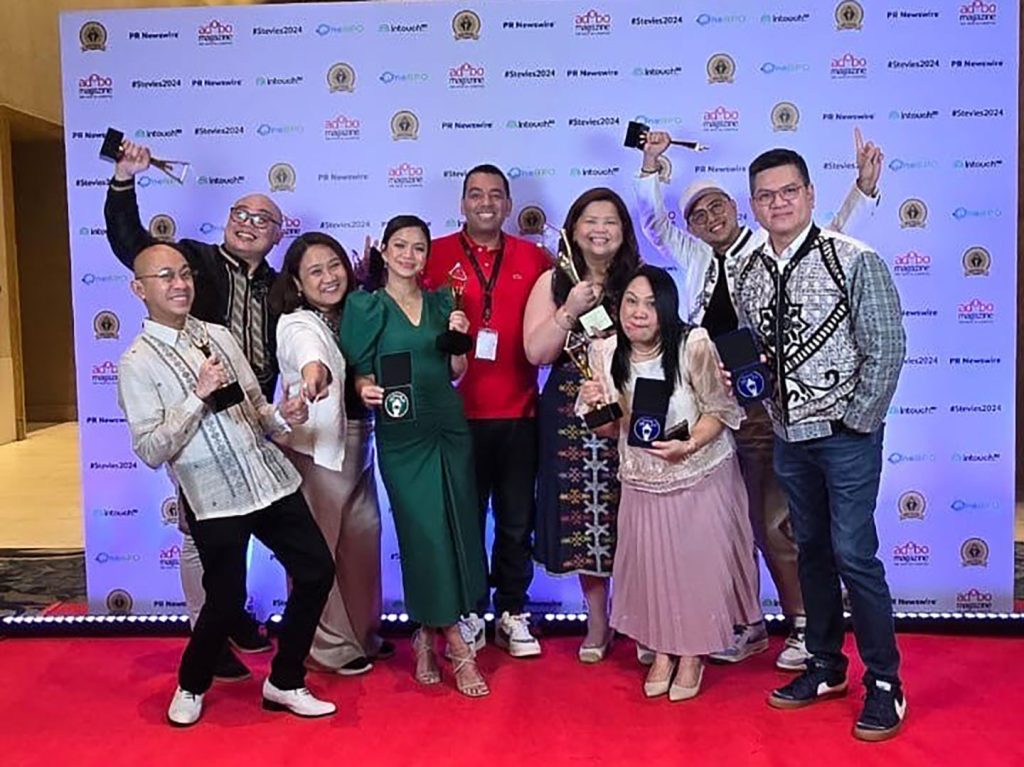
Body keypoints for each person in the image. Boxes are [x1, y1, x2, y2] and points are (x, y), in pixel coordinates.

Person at [632, 127, 884, 670]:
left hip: (767, 408)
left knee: (775, 520)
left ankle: (802, 624)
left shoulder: (770, 248)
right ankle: (742, 623)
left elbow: (834, 235)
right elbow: (653, 221)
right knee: (725, 522)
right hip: (708, 408)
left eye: (717, 206)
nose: (709, 218)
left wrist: (862, 190)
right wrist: (650, 166)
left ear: (737, 207)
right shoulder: (695, 256)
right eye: (697, 214)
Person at [116, 242, 336, 727]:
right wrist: (197, 397)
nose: (180, 284)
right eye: (166, 277)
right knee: (225, 599)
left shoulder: (217, 335)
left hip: (268, 480)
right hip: (211, 496)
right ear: (139, 289)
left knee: (317, 570)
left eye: (185, 274)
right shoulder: (136, 362)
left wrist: (285, 415)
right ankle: (191, 683)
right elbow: (150, 449)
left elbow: (256, 409)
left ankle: (285, 680)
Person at [732, 148, 906, 741]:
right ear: (754, 204)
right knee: (809, 550)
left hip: (845, 437)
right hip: (787, 436)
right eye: (766, 195)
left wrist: (857, 422)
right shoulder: (748, 269)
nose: (778, 203)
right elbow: (751, 343)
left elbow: (887, 347)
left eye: (789, 192)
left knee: (854, 553)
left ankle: (884, 681)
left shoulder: (853, 257)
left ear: (809, 194)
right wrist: (750, 382)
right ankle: (827, 664)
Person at [105, 140, 284, 678]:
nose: (249, 224)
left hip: (253, 418)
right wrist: (123, 179)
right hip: (195, 417)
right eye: (241, 213)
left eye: (263, 219)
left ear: (278, 234)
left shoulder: (280, 286)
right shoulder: (194, 262)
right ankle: (207, 635)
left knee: (239, 527)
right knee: (198, 530)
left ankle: (231, 614)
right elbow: (131, 244)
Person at [579, 265, 759, 701]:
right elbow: (611, 430)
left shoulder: (692, 343)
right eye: (630, 302)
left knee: (695, 570)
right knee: (652, 571)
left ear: (666, 309)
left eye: (650, 304)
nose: (638, 313)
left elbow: (721, 410)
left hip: (700, 474)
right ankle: (661, 651)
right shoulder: (604, 351)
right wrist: (593, 408)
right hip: (642, 479)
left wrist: (689, 445)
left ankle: (693, 654)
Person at [340, 215, 490, 697]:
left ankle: (425, 634)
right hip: (402, 433)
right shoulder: (366, 306)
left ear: (427, 256)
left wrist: (460, 337)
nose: (409, 255)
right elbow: (360, 372)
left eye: (419, 248)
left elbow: (455, 371)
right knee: (423, 534)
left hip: (448, 423)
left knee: (456, 529)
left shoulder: (444, 301)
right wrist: (364, 389)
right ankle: (456, 644)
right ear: (383, 250)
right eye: (400, 245)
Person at [425, 165, 550, 658]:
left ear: (508, 204)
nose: (485, 203)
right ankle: (471, 611)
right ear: (462, 203)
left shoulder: (534, 258)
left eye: (496, 195)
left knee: (517, 521)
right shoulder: (433, 254)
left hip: (519, 412)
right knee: (467, 522)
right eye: (475, 194)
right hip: (456, 415)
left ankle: (512, 612)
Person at [523, 188, 641, 661]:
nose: (600, 230)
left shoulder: (640, 280)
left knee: (633, 515)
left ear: (624, 231)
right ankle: (598, 622)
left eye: (610, 221)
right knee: (584, 518)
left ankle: (640, 619)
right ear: (573, 229)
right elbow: (536, 352)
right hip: (570, 415)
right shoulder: (552, 281)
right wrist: (570, 309)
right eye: (590, 220)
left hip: (630, 407)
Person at [270, 232, 393, 676]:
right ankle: (325, 649)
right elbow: (311, 355)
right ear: (297, 283)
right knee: (318, 554)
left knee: (361, 542)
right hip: (314, 451)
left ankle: (362, 634)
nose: (328, 277)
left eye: (334, 265)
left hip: (359, 443)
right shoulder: (297, 323)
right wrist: (312, 376)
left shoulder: (355, 310)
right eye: (315, 271)